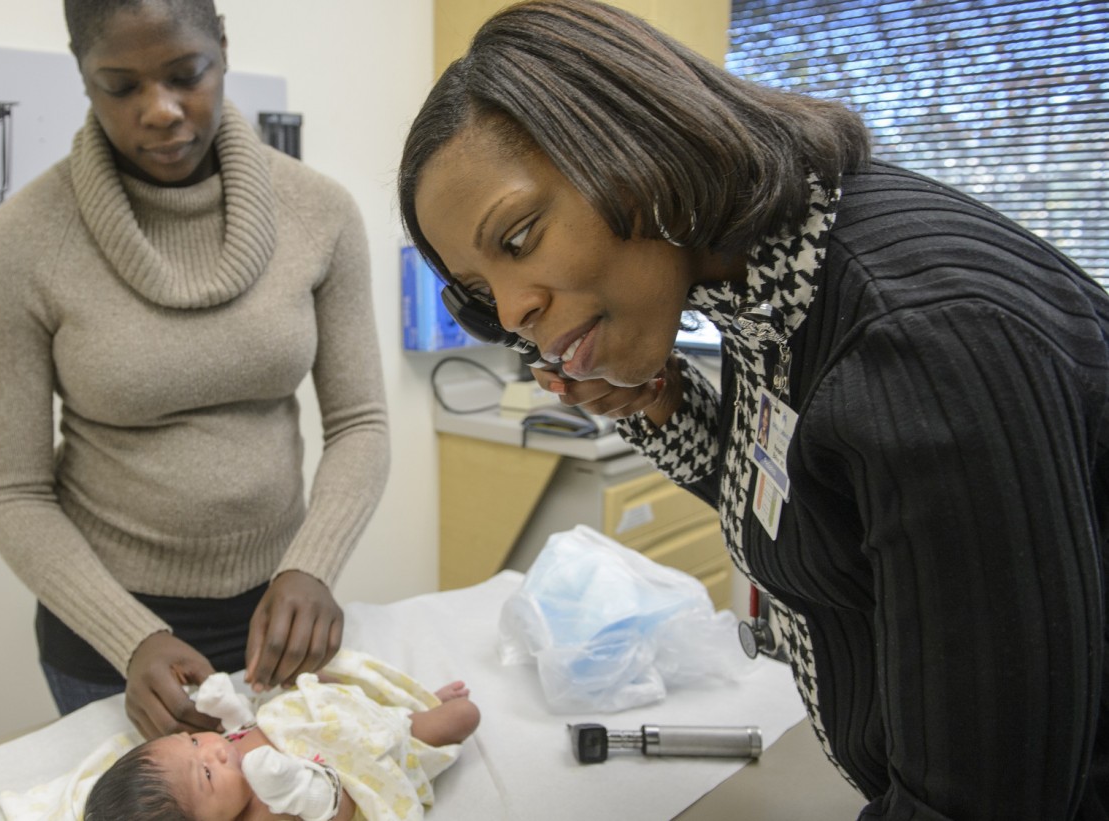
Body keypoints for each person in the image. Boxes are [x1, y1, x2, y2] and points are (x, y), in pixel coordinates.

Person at [396, 1, 1109, 818]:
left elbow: (986, 798)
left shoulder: (924, 341)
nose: (516, 310)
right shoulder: (768, 286)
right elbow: (806, 503)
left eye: (519, 237)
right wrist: (659, 403)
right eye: (484, 292)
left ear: (628, 140)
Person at [0, 0, 389, 742]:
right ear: (82, 75)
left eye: (186, 75)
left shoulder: (321, 213)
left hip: (281, 616)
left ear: (222, 48)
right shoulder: (17, 247)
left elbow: (360, 422)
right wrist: (130, 636)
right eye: (120, 87)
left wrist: (314, 564)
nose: (160, 111)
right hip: (112, 642)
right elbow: (15, 492)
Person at [82, 650, 481, 821]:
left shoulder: (223, 754)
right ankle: (422, 718)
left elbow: (248, 731)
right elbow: (340, 808)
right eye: (205, 776)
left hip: (324, 717)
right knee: (462, 716)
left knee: (318, 673)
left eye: (191, 742)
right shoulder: (259, 814)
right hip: (371, 752)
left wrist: (229, 712)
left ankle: (407, 704)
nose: (213, 752)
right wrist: (297, 790)